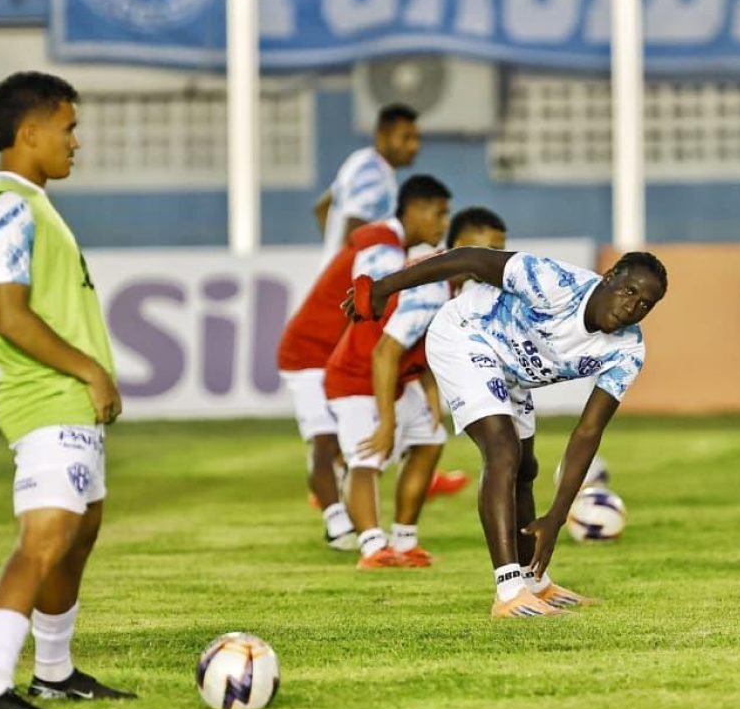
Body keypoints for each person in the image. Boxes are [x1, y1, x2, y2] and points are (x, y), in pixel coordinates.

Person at [347, 248, 667, 618]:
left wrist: (557, 516)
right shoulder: (554, 282)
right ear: (609, 276)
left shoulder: (628, 350)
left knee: (525, 468)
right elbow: (468, 259)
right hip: (465, 334)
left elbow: (588, 431)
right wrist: (383, 289)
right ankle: (509, 590)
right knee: (503, 452)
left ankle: (535, 582)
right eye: (629, 291)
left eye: (645, 304)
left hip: (510, 369)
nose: (632, 307)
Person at [0, 72, 134, 709]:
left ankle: (55, 673)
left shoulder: (31, 203)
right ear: (29, 132)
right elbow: (10, 315)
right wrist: (91, 370)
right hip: (47, 400)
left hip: (68, 404)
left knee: (78, 535)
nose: (75, 142)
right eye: (68, 128)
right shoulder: (9, 204)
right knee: (43, 541)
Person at [327, 207, 507, 569]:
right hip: (358, 376)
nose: (497, 260)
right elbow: (385, 352)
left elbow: (422, 343)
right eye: (489, 250)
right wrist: (387, 422)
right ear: (462, 245)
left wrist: (431, 397)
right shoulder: (431, 289)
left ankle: (404, 542)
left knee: (430, 440)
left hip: (401, 376)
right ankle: (373, 548)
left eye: (501, 251)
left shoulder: (455, 283)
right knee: (367, 457)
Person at [278, 174, 451, 549]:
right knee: (326, 442)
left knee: (351, 441)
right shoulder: (382, 247)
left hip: (343, 350)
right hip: (311, 349)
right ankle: (337, 523)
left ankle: (357, 508)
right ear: (415, 210)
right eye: (439, 213)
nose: (444, 224)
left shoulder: (388, 245)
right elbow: (372, 297)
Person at [314, 104, 420, 264]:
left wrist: (333, 252)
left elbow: (322, 207)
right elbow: (355, 234)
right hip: (352, 277)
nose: (414, 146)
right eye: (406, 138)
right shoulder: (372, 174)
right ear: (382, 137)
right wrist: (343, 262)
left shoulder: (361, 161)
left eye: (417, 138)